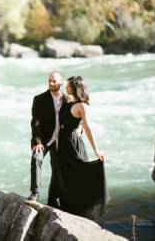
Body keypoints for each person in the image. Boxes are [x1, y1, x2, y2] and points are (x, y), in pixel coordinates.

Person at [49, 75, 110, 219]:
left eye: (69, 86)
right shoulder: (69, 100)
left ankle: (83, 207)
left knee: (78, 174)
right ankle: (63, 204)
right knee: (62, 172)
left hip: (73, 144)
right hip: (62, 144)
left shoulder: (82, 105)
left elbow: (88, 127)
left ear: (76, 88)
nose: (66, 87)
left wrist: (96, 149)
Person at [28, 70, 66, 205]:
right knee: (36, 158)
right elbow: (36, 121)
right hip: (44, 139)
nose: (51, 83)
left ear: (61, 82)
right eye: (49, 80)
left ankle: (53, 198)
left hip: (60, 140)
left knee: (57, 168)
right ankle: (35, 193)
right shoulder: (39, 99)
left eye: (54, 81)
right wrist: (37, 140)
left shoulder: (67, 100)